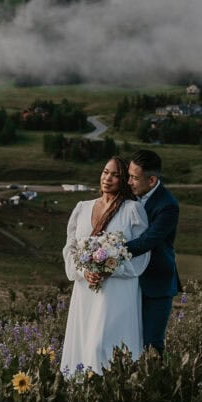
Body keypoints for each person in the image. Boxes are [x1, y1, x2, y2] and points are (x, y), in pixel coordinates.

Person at [60, 157, 151, 375]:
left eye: (115, 175)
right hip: (85, 290)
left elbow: (141, 254)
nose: (107, 178)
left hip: (116, 291)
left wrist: (109, 269)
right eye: (105, 172)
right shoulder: (82, 208)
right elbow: (70, 249)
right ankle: (81, 393)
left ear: (124, 180)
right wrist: (84, 271)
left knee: (103, 344)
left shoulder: (132, 210)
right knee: (84, 342)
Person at [125, 149, 180, 354]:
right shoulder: (127, 196)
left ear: (151, 180)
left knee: (151, 345)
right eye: (128, 175)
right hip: (128, 281)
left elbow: (148, 241)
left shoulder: (168, 206)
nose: (129, 182)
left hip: (157, 284)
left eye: (134, 177)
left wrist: (111, 251)